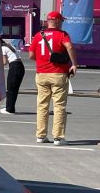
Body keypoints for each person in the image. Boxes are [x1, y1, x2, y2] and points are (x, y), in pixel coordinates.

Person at [28, 11, 78, 145]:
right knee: (59, 106)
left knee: (42, 105)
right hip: (58, 74)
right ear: (56, 21)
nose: (62, 23)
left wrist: (42, 61)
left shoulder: (39, 35)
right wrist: (74, 64)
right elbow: (69, 46)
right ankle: (58, 137)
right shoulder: (62, 34)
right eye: (61, 21)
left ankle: (40, 135)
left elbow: (31, 55)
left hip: (41, 74)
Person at [0, 38, 25, 114]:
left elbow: (4, 62)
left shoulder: (2, 48)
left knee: (11, 88)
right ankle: (11, 107)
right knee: (14, 88)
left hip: (14, 67)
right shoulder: (9, 46)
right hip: (20, 66)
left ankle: (9, 109)